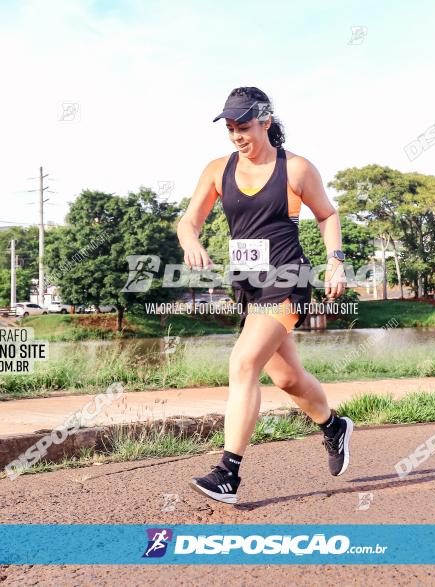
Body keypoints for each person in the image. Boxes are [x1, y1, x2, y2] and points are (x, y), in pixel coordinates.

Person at [176, 87, 352, 504]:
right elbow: (189, 221)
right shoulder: (218, 170)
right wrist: (191, 241)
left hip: (288, 279)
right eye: (231, 129)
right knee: (288, 378)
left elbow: (327, 214)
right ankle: (333, 426)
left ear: (266, 122)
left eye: (244, 127)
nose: (237, 136)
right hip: (248, 286)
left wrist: (336, 260)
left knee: (242, 361)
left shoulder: (296, 170)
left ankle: (228, 474)